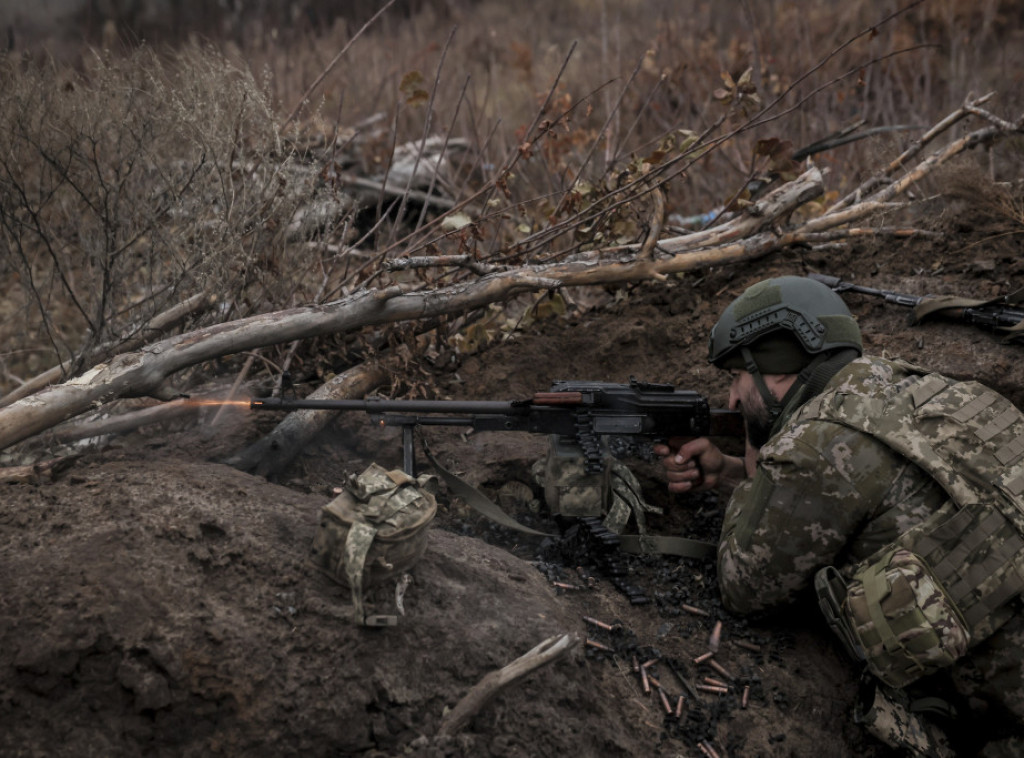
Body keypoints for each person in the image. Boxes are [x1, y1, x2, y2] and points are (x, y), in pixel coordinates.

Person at [657, 275, 1024, 758]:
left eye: (735, 377)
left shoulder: (815, 445)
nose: (730, 399)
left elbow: (744, 587)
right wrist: (727, 471)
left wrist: (756, 457)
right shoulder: (933, 391)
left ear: (776, 370)